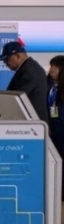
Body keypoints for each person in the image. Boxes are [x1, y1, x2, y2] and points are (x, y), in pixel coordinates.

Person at [0, 41, 49, 122]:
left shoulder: (29, 71)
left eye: (7, 59)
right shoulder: (28, 68)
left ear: (17, 56)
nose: (5, 63)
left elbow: (17, 97)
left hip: (32, 122)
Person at [47, 56, 64, 200]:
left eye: (56, 66)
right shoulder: (52, 88)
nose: (52, 69)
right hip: (54, 133)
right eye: (51, 65)